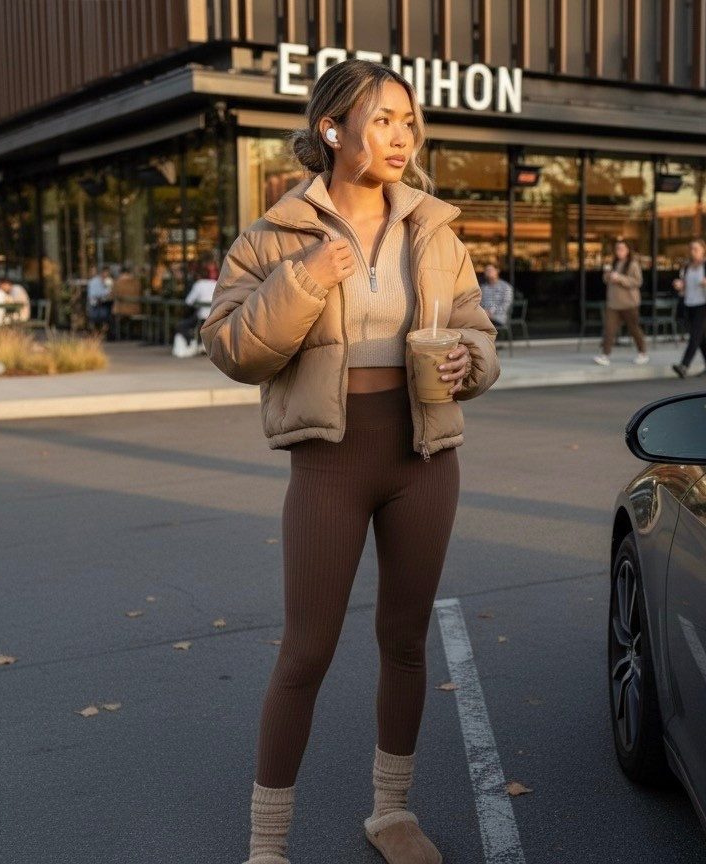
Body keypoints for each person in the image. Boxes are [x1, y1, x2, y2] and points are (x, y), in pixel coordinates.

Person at [202, 58, 500, 864]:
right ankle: (268, 844)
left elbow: (477, 330)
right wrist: (301, 280)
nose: (402, 137)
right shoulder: (274, 236)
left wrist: (469, 361)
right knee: (306, 652)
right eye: (382, 121)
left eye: (409, 121)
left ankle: (391, 812)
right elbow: (231, 348)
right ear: (332, 130)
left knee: (405, 640)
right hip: (330, 461)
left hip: (423, 456)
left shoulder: (434, 230)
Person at [593, 238, 648, 366]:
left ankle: (642, 352)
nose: (619, 251)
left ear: (628, 250)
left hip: (629, 303)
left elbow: (637, 281)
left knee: (634, 328)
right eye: (617, 249)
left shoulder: (633, 264)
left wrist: (620, 278)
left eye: (621, 249)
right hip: (613, 303)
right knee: (609, 329)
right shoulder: (614, 263)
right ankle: (605, 355)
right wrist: (607, 276)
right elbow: (607, 281)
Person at [671, 238, 706, 378]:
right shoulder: (687, 266)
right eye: (691, 248)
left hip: (703, 303)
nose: (693, 251)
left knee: (695, 335)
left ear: (703, 250)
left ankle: (684, 365)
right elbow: (684, 284)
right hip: (689, 303)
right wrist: (680, 284)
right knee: (701, 336)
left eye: (696, 249)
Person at [172, 262, 218, 358]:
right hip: (216, 316)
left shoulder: (199, 284)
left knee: (184, 325)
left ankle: (194, 344)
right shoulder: (216, 284)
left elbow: (188, 301)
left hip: (202, 317)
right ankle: (203, 345)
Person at [479, 263, 513, 329]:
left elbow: (506, 305)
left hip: (498, 317)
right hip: (483, 316)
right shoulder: (483, 288)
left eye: (490, 270)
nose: (488, 273)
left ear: (497, 271)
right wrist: (483, 312)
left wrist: (490, 311)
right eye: (486, 271)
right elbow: (479, 303)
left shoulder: (505, 287)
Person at [86, 265, 113, 333]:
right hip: (96, 306)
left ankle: (106, 330)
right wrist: (107, 292)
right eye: (107, 273)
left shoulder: (104, 282)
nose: (108, 275)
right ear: (102, 273)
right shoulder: (95, 282)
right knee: (109, 312)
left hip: (102, 305)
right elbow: (94, 294)